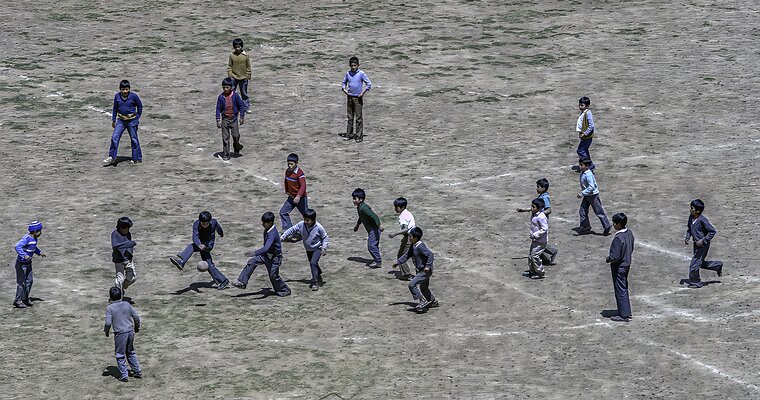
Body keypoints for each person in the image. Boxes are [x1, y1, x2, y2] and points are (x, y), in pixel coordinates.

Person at [232, 212, 291, 296]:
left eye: (264, 222)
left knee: (273, 276)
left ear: (270, 223)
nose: (262, 224)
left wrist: (254, 253)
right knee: (252, 262)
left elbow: (266, 248)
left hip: (275, 258)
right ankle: (242, 282)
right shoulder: (267, 229)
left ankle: (285, 290)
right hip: (266, 256)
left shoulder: (272, 234)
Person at [170, 211, 229, 290]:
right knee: (208, 263)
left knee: (192, 246)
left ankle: (182, 261)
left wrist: (221, 234)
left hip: (208, 245)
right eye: (203, 223)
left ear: (209, 222)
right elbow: (195, 236)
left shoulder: (213, 222)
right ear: (200, 222)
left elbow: (219, 228)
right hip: (200, 243)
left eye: (206, 223)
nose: (205, 225)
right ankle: (223, 281)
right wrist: (199, 244)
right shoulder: (196, 224)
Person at [280, 209, 329, 291]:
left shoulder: (319, 227)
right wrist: (283, 237)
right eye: (305, 219)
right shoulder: (301, 224)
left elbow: (325, 237)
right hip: (308, 249)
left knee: (313, 263)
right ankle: (318, 272)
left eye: (308, 220)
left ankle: (315, 282)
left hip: (317, 248)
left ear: (313, 220)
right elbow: (292, 229)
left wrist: (324, 248)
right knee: (313, 263)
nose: (306, 222)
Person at [393, 227, 439, 311]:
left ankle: (422, 301)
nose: (409, 238)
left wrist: (428, 266)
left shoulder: (420, 246)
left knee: (411, 284)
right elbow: (407, 255)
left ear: (416, 238)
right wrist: (398, 262)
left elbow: (430, 255)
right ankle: (433, 301)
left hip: (425, 271)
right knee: (424, 288)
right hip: (421, 270)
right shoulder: (413, 246)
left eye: (410, 237)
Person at [104, 286, 142, 382]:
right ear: (121, 295)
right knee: (130, 351)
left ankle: (124, 375)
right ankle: (137, 370)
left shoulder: (110, 308)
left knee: (120, 354)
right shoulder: (127, 304)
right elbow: (136, 317)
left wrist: (106, 331)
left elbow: (108, 323)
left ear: (110, 297)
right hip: (130, 332)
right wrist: (137, 327)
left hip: (120, 334)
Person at [684, 199, 723, 288]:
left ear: (698, 211)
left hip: (703, 245)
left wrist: (703, 240)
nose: (690, 210)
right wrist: (687, 237)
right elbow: (689, 229)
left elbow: (712, 231)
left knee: (694, 265)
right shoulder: (691, 217)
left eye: (692, 208)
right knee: (699, 263)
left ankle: (696, 282)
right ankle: (717, 265)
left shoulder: (703, 220)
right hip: (696, 244)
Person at [517, 178, 557, 264]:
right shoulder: (542, 196)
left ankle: (551, 252)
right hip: (538, 222)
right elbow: (535, 208)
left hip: (540, 223)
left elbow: (549, 210)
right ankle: (546, 257)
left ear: (543, 188)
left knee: (539, 241)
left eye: (538, 187)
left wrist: (539, 214)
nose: (536, 188)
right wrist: (524, 210)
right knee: (538, 241)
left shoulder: (545, 197)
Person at [104, 80, 143, 165]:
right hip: (121, 121)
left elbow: (140, 106)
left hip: (132, 121)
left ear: (129, 89)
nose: (125, 91)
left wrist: (137, 116)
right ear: (120, 89)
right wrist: (113, 120)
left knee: (134, 139)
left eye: (126, 89)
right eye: (123, 89)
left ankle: (136, 157)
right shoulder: (117, 96)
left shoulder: (134, 96)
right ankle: (112, 156)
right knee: (115, 137)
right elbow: (115, 108)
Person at [606, 213, 635, 322]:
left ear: (619, 224)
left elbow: (615, 256)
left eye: (614, 223)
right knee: (623, 287)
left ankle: (624, 315)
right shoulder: (629, 233)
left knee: (620, 289)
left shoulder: (619, 237)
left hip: (619, 266)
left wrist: (608, 258)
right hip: (627, 263)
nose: (613, 225)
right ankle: (626, 311)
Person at [13, 221, 46, 308]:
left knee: (30, 281)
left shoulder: (34, 239)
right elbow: (17, 246)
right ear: (35, 232)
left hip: (28, 264)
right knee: (22, 283)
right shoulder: (27, 238)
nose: (40, 233)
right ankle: (17, 300)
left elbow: (33, 248)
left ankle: (25, 298)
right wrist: (24, 256)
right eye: (39, 231)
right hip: (21, 264)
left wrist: (39, 252)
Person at [340, 56, 372, 142]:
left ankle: (359, 136)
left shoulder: (361, 74)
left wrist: (362, 93)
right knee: (350, 117)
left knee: (358, 118)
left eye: (355, 65)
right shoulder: (348, 73)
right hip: (350, 97)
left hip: (358, 98)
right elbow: (344, 83)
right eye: (351, 65)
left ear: (358, 65)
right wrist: (344, 90)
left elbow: (369, 84)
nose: (353, 67)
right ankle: (349, 134)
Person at [577, 159, 611, 235]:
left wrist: (582, 193)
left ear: (587, 166)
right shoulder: (583, 172)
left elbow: (591, 187)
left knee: (599, 211)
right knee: (582, 210)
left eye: (581, 165)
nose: (579, 166)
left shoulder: (588, 174)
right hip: (587, 195)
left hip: (593, 196)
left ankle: (607, 226)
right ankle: (586, 226)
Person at [352, 188, 383, 268]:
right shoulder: (360, 207)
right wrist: (357, 225)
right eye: (353, 199)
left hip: (374, 229)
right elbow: (361, 217)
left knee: (371, 246)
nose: (353, 201)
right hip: (371, 230)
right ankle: (377, 259)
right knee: (374, 245)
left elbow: (374, 216)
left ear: (361, 199)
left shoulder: (364, 208)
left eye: (355, 199)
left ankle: (378, 261)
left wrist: (379, 226)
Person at [215, 77, 245, 160]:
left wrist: (241, 116)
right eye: (223, 87)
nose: (225, 89)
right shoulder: (221, 97)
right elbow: (218, 108)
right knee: (225, 138)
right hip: (225, 119)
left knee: (236, 135)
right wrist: (218, 119)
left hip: (234, 119)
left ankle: (236, 146)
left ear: (231, 87)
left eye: (227, 87)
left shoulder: (235, 96)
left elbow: (241, 106)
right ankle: (226, 154)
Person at [279, 153, 308, 236]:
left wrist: (298, 196)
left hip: (301, 199)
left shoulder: (300, 174)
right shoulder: (287, 171)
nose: (289, 166)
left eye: (291, 164)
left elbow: (303, 186)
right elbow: (286, 181)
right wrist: (287, 191)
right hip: (291, 197)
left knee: (307, 216)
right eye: (288, 163)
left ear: (296, 163)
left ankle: (311, 231)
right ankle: (289, 231)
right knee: (283, 212)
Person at [388, 197, 416, 280]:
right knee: (414, 255)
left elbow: (406, 229)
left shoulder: (402, 216)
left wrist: (395, 234)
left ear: (402, 207)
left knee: (401, 255)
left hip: (409, 237)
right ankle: (421, 272)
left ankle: (406, 274)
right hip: (414, 236)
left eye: (397, 207)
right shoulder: (408, 213)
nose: (395, 209)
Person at [112, 217, 137, 294]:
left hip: (128, 260)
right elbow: (115, 246)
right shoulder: (115, 234)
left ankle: (123, 287)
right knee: (120, 279)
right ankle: (117, 295)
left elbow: (129, 246)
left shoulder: (128, 234)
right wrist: (127, 244)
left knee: (132, 277)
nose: (128, 230)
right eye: (127, 228)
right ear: (121, 228)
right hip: (119, 261)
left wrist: (130, 254)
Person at [524, 198, 548, 279]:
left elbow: (544, 229)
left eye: (533, 207)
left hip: (541, 241)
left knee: (535, 256)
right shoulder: (534, 214)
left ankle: (540, 272)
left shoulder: (541, 217)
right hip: (535, 240)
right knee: (531, 256)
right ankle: (532, 271)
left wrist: (535, 235)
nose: (531, 208)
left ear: (539, 208)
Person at [227, 38, 252, 113]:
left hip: (244, 78)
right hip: (234, 77)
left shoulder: (246, 56)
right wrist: (230, 75)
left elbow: (248, 66)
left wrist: (248, 75)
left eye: (239, 47)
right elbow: (229, 66)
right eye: (236, 47)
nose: (237, 48)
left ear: (242, 46)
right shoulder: (232, 55)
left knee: (244, 93)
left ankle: (246, 107)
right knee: (232, 92)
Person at [575, 96, 595, 170]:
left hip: (587, 136)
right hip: (584, 135)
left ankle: (587, 165)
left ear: (587, 106)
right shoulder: (583, 112)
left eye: (582, 105)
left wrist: (585, 133)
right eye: (579, 105)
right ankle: (588, 164)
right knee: (584, 150)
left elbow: (591, 126)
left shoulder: (588, 113)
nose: (580, 107)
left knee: (580, 150)